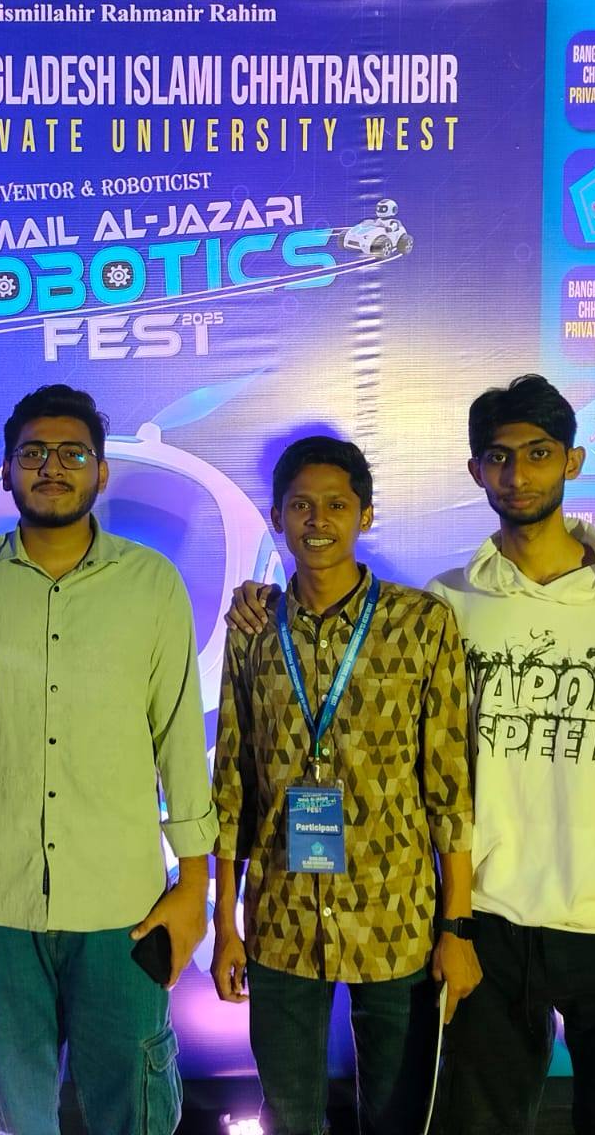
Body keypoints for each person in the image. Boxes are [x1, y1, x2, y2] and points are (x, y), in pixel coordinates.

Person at [227, 376, 595, 1133]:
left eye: (538, 454)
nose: (518, 474)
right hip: (491, 922)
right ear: (476, 471)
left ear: (573, 461)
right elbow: (435, 776)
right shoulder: (448, 604)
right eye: (498, 457)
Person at [0, 384, 216, 1135]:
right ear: (7, 470)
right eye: (34, 453)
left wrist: (194, 882)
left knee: (134, 1111)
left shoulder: (151, 584)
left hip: (125, 907)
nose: (52, 467)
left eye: (73, 454)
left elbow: (179, 737)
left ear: (101, 472)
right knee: (13, 1115)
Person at [211, 436, 477, 1135]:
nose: (318, 520)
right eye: (301, 505)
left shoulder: (421, 623)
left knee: (395, 1116)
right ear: (276, 517)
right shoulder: (252, 629)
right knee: (289, 1116)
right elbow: (232, 783)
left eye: (336, 504)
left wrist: (456, 927)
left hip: (397, 919)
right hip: (280, 920)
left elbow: (449, 788)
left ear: (366, 515)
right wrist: (225, 925)